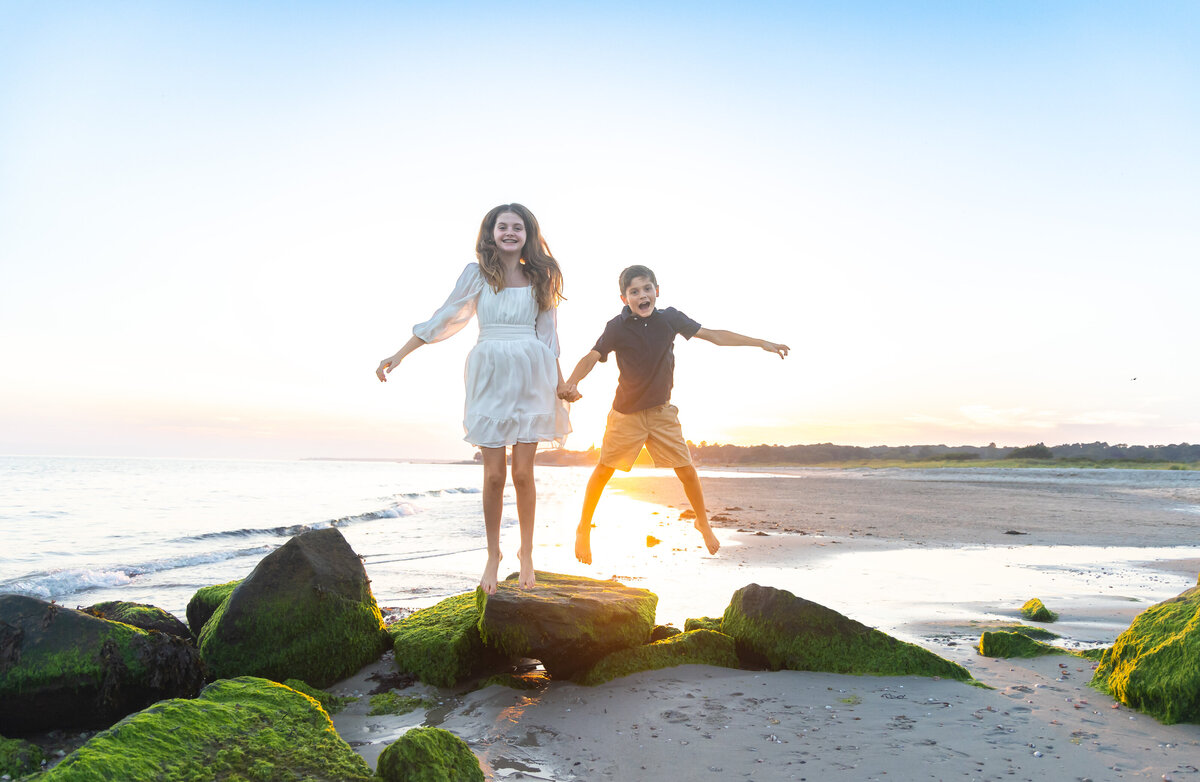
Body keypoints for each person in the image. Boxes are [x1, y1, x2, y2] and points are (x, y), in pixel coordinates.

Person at [376, 204, 577, 594]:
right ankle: (492, 554)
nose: (510, 232)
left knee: (522, 473)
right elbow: (443, 318)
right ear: (490, 232)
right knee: (494, 475)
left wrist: (562, 384)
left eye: (518, 227)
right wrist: (399, 354)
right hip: (490, 372)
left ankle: (527, 554)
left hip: (533, 373)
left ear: (528, 234)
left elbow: (549, 336)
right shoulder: (477, 274)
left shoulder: (542, 275)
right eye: (503, 226)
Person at [560, 264, 788, 565]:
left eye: (647, 289)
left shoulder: (669, 319)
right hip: (625, 414)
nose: (642, 295)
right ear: (623, 298)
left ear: (657, 291)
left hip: (661, 414)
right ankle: (582, 528)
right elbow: (592, 356)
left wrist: (761, 343)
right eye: (634, 292)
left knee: (686, 470)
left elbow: (715, 336)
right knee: (604, 470)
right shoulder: (616, 326)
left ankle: (702, 522)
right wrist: (572, 381)